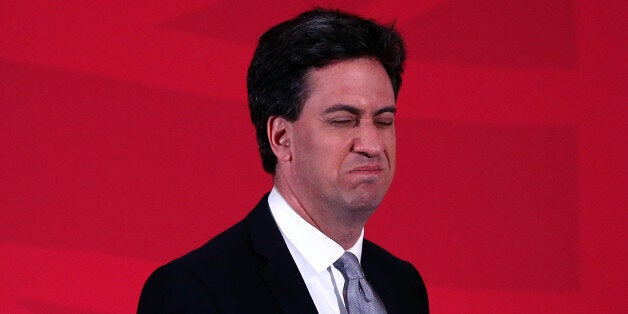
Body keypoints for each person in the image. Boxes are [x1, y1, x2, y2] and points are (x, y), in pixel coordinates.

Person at [138, 8, 428, 313]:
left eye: (383, 121)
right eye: (343, 120)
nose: (372, 145)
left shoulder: (402, 284)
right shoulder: (194, 290)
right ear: (280, 137)